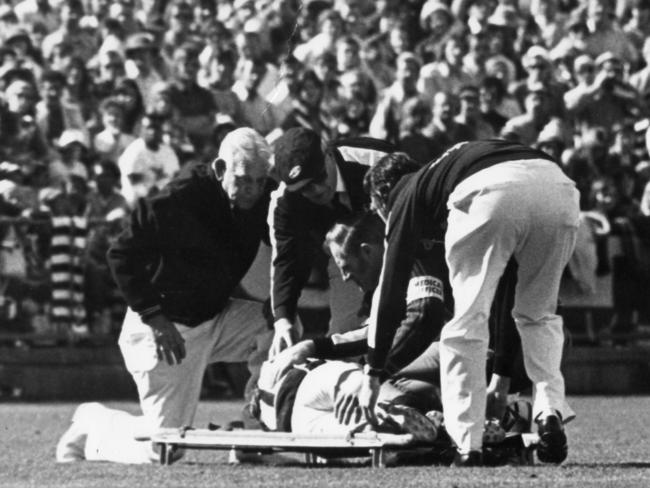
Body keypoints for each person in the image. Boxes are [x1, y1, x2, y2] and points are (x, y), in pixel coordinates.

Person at [56, 128, 273, 464]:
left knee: (277, 326)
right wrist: (155, 318)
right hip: (166, 330)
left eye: (260, 181)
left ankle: (254, 430)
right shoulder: (179, 198)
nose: (253, 191)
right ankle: (94, 424)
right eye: (245, 180)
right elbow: (120, 255)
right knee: (162, 451)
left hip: (215, 318)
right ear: (219, 169)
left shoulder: (261, 195)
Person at [362, 142, 580, 466]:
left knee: (467, 322)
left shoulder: (405, 192)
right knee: (539, 315)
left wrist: (373, 372)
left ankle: (467, 444)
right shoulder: (443, 169)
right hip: (558, 186)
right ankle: (549, 411)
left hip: (490, 189)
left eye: (377, 210)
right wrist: (501, 378)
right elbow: (509, 286)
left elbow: (391, 287)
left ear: (382, 195)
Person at [268, 127, 393, 357]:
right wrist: (283, 318)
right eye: (304, 188)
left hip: (400, 248)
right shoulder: (286, 201)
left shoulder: (375, 162)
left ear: (328, 154)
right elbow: (287, 260)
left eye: (318, 178)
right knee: (344, 339)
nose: (315, 190)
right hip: (345, 260)